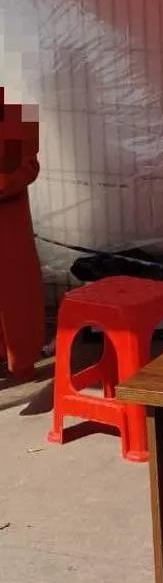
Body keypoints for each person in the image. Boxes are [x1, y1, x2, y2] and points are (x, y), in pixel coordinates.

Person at [0, 92, 45, 382]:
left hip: (8, 231)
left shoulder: (18, 116)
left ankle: (21, 363)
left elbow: (27, 168)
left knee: (15, 300)